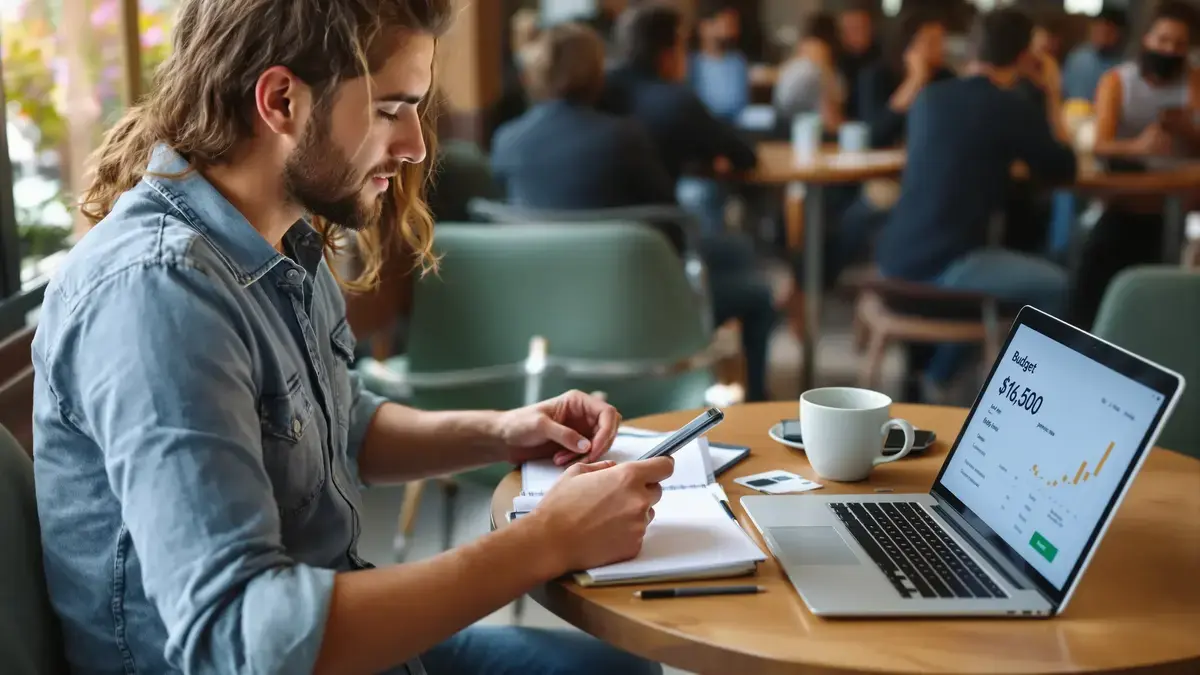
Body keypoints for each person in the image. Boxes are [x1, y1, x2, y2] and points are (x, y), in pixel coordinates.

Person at [31, 2, 670, 674]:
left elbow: (339, 422)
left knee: (617, 668)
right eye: (392, 108)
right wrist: (546, 539)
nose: (417, 145)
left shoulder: (278, 240)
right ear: (282, 100)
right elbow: (242, 637)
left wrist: (502, 430)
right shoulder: (157, 294)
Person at [875, 8, 1077, 393]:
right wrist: (1052, 91)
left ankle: (938, 374)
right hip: (948, 265)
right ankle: (1028, 396)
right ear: (1023, 58)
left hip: (892, 257)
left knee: (995, 266)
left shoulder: (930, 96)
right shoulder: (1011, 106)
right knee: (1056, 284)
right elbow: (1064, 166)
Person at [601, 4, 776, 402]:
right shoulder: (674, 101)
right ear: (669, 52)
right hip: (658, 262)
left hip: (604, 257)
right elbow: (743, 156)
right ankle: (756, 396)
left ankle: (710, 364)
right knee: (757, 293)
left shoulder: (599, 93)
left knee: (736, 250)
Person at [1073, 1, 1200, 328]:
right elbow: (1100, 145)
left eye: (1179, 44)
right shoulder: (1117, 81)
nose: (1169, 50)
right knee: (1098, 279)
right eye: (1163, 40)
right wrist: (1139, 146)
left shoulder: (1193, 82)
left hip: (1179, 201)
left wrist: (1187, 129)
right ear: (1146, 39)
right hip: (1123, 199)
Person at [491, 23, 674, 210]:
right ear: (598, 73)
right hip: (609, 239)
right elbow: (666, 208)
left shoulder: (506, 139)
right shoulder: (626, 138)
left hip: (531, 239)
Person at [772, 12, 845, 129]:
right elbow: (827, 97)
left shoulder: (800, 51)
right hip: (807, 126)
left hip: (783, 121)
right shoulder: (819, 50)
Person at [689, 0, 750, 122]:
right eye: (722, 21)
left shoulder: (738, 61)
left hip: (735, 126)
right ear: (704, 26)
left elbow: (741, 104)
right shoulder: (692, 63)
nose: (729, 27)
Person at [1062, 8, 1126, 101]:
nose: (1101, 35)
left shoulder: (1123, 65)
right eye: (1097, 30)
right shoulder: (1078, 57)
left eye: (1107, 32)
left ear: (1118, 34)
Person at [836, 1, 883, 121]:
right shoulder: (835, 63)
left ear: (871, 29)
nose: (854, 34)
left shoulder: (884, 63)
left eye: (859, 28)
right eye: (848, 29)